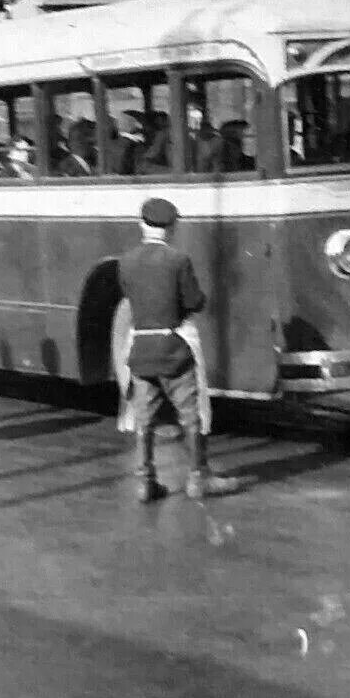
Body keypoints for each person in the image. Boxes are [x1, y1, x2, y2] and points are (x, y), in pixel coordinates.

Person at [116, 197, 240, 503]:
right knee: (191, 414)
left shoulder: (126, 261)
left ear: (141, 225)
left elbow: (130, 298)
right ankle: (199, 478)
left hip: (141, 349)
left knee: (144, 417)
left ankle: (146, 482)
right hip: (174, 349)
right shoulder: (178, 260)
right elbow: (194, 302)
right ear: (171, 228)